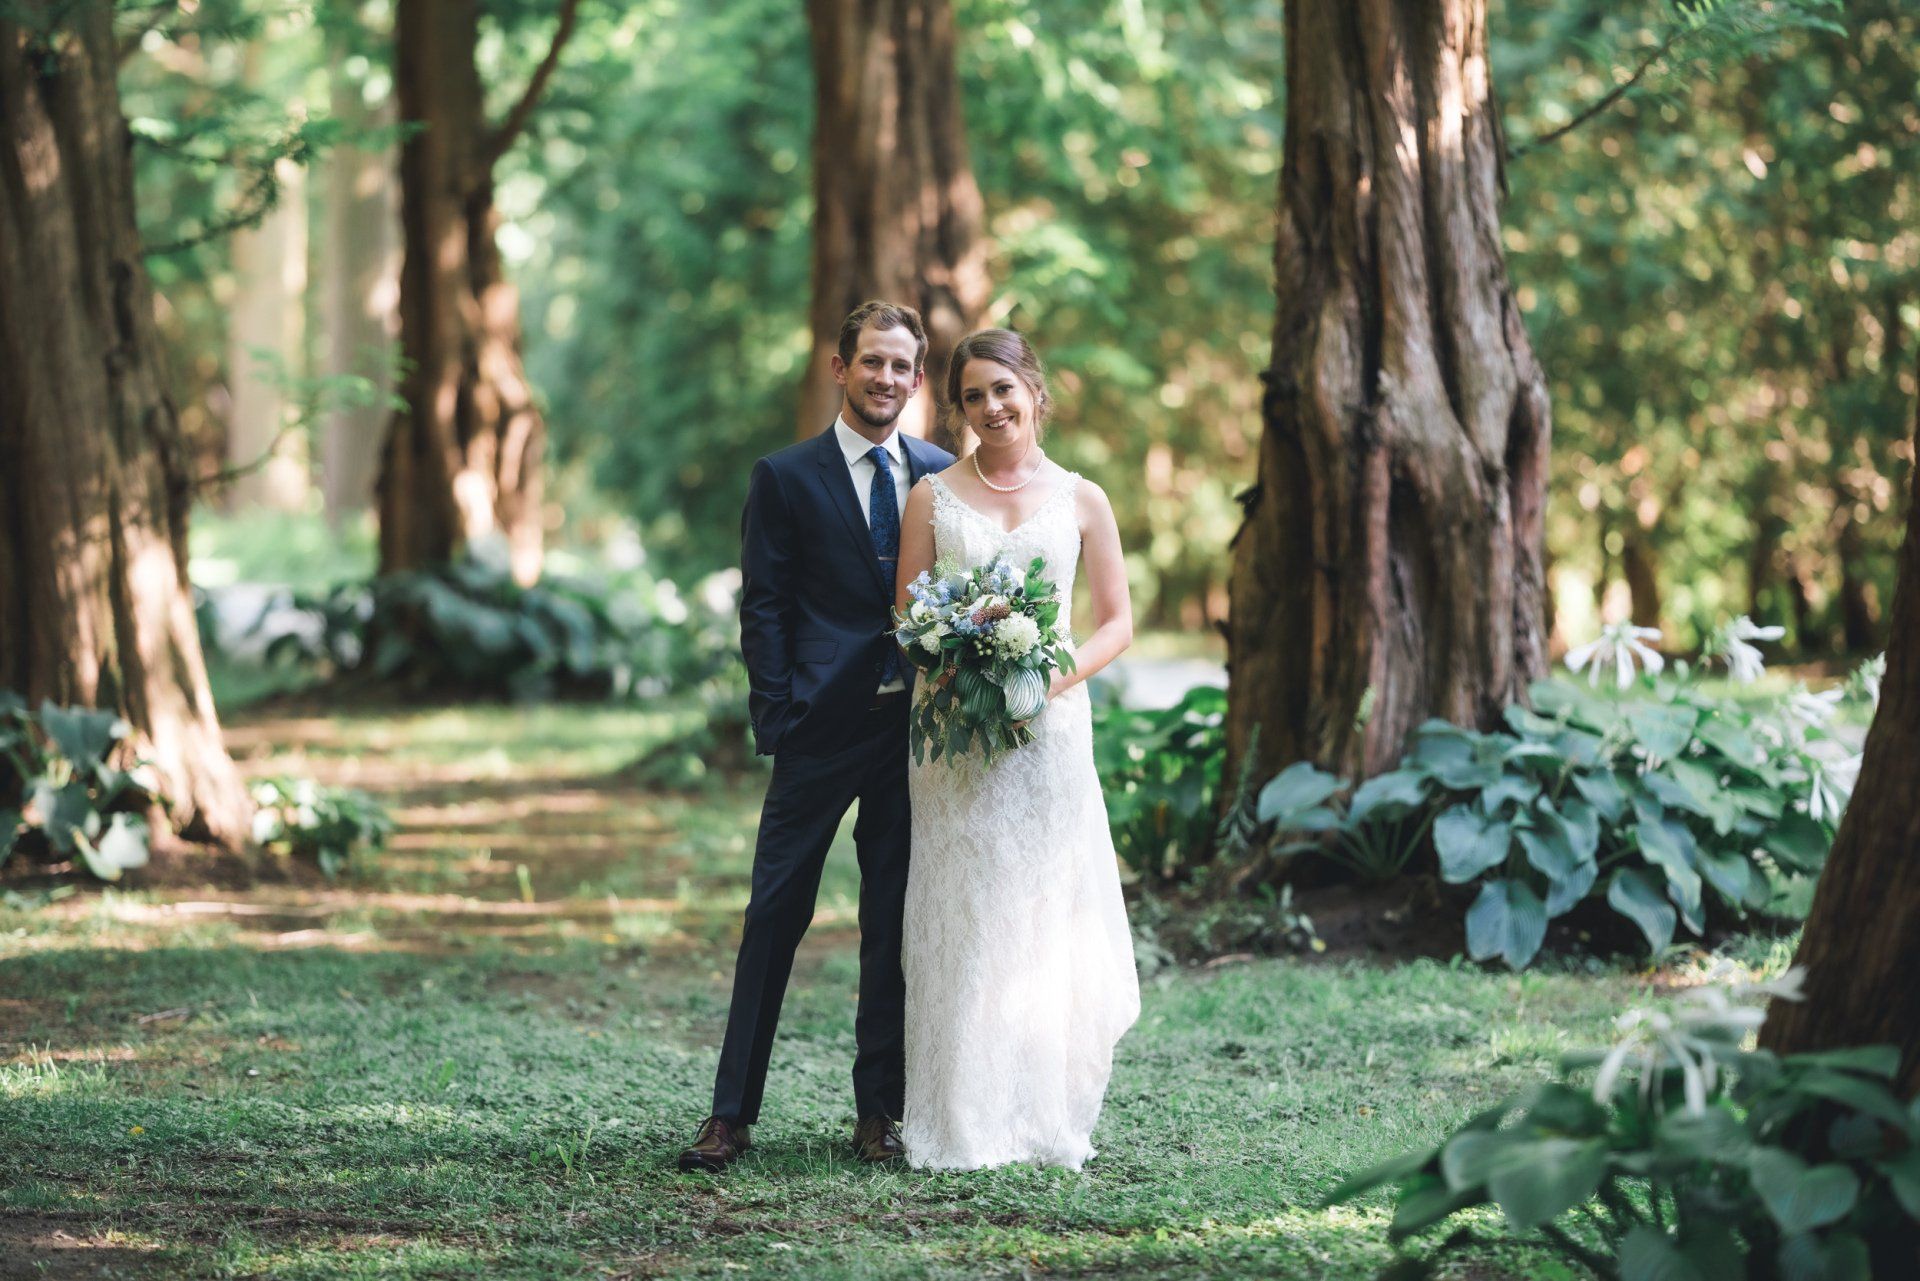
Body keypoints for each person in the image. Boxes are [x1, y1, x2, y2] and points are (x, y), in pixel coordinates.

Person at [678, 301, 955, 1173]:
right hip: (818, 730)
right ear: (841, 368)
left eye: (901, 367)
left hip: (911, 737)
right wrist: (779, 713)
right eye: (871, 362)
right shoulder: (786, 476)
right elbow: (762, 604)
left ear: (917, 379)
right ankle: (730, 1114)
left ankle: (879, 1113)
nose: (885, 379)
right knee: (774, 914)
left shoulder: (945, 476)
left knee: (892, 922)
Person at [892, 327, 1140, 1171]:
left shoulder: (1083, 498)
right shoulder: (931, 497)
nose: (990, 407)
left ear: (1033, 387)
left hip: (1050, 736)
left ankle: (1041, 1116)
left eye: (1003, 387)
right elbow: (907, 620)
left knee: (1042, 916)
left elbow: (1116, 621)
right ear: (956, 406)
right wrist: (959, 673)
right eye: (972, 395)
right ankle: (958, 1117)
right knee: (965, 913)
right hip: (955, 740)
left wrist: (1046, 682)